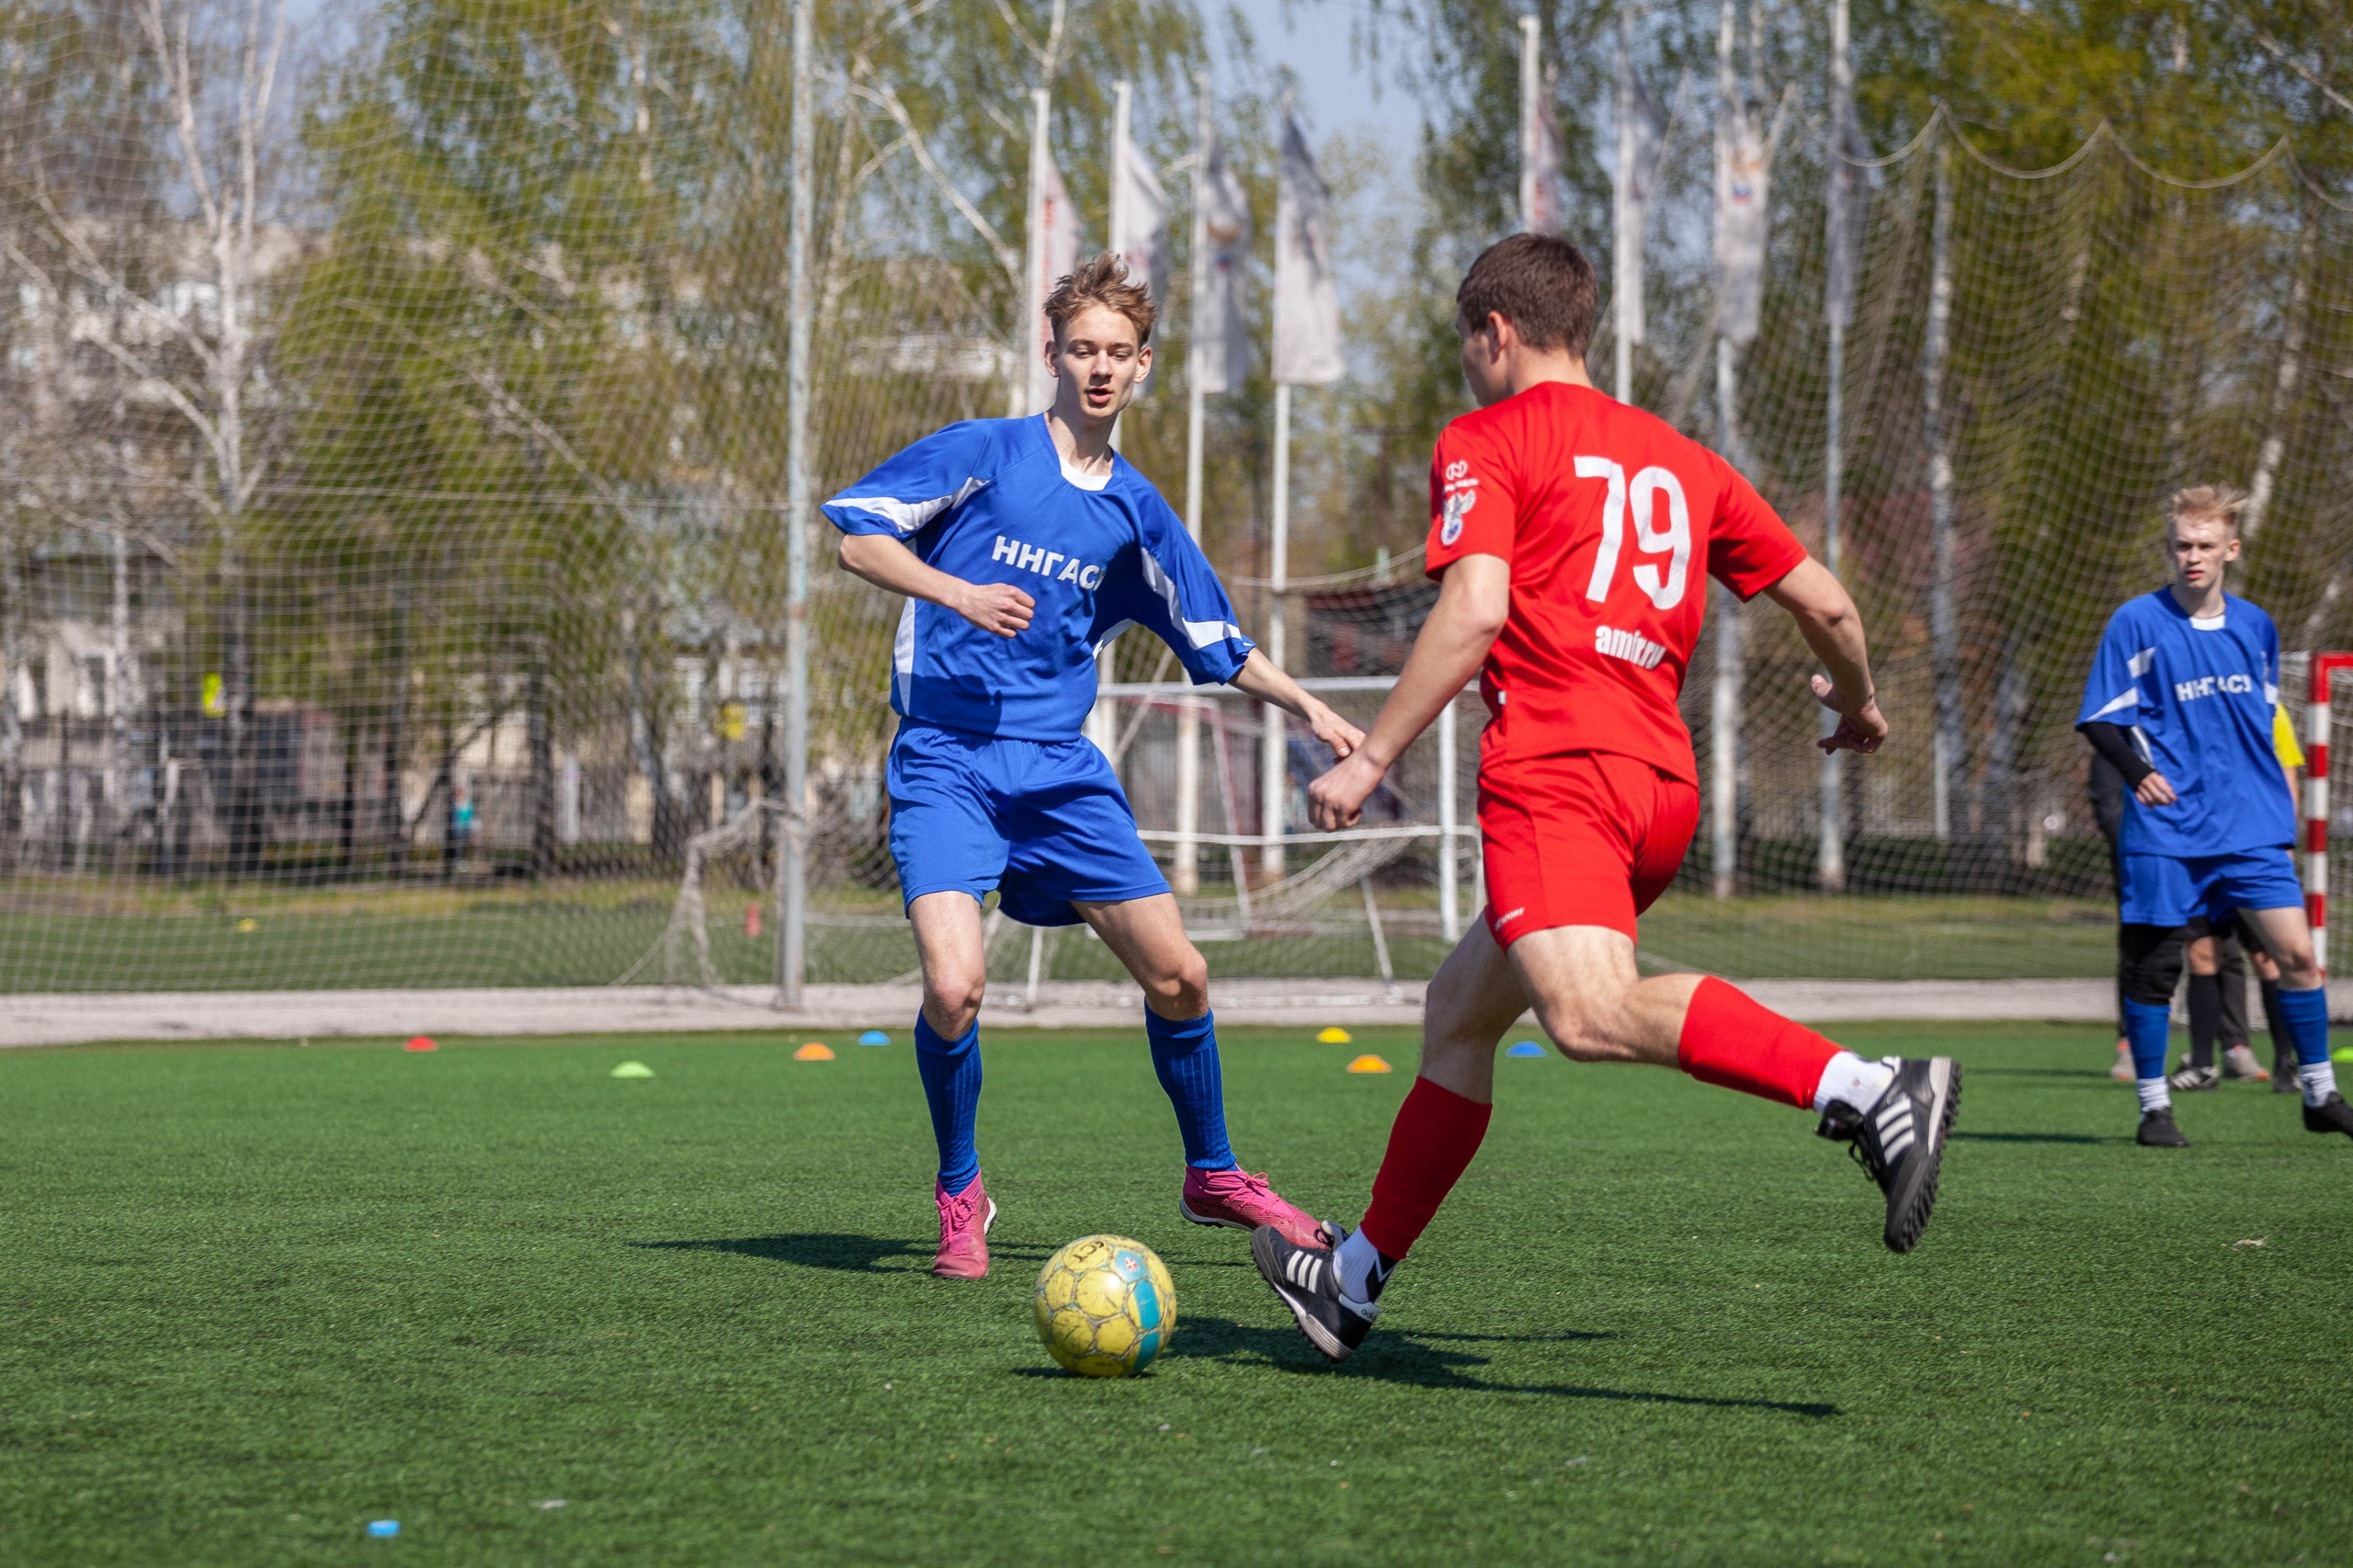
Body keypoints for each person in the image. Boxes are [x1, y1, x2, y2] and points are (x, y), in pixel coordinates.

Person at [1245, 234, 1959, 1365]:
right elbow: (1830, 604)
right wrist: (1859, 703)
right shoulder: (1682, 456)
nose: (1469, 369)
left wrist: (1370, 756)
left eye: (1467, 347)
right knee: (1457, 1015)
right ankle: (1351, 1278)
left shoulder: (1485, 440)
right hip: (1657, 791)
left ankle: (1869, 1087)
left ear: (1495, 333)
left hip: (1559, 778)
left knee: (1583, 1015)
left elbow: (1475, 612)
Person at [823, 254, 1362, 1279]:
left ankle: (1212, 1173)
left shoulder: (1136, 513)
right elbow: (855, 539)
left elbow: (1217, 636)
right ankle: (960, 1192)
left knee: (1180, 973)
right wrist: (955, 591)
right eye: (1081, 349)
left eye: (1118, 352)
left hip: (1061, 772)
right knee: (954, 985)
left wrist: (1308, 703)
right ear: (1051, 353)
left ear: (1144, 364)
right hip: (945, 759)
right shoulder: (983, 453)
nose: (1099, 368)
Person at [2075, 483, 2353, 1148]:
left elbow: (2263, 730)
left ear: (2232, 549)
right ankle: (2152, 1109)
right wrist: (2141, 775)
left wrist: (2277, 813)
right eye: (2181, 544)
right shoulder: (2136, 622)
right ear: (2170, 548)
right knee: (2156, 968)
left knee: (2298, 957)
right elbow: (2097, 719)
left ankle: (2319, 1093)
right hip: (2168, 832)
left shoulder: (2257, 626)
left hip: (2250, 829)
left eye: (2205, 545)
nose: (2192, 556)